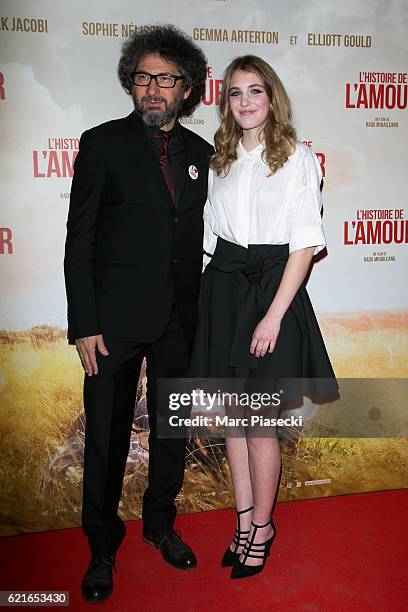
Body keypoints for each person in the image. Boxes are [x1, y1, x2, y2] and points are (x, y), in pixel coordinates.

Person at [64, 25, 213, 603]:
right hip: (113, 323)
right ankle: (102, 547)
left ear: (187, 88)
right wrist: (84, 321)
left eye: (167, 79)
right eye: (144, 78)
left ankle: (159, 525)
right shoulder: (102, 144)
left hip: (180, 318)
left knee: (172, 430)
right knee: (105, 433)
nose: (154, 89)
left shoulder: (203, 156)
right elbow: (81, 240)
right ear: (132, 82)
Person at [190, 55, 338, 579]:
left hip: (273, 294)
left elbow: (304, 246)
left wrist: (273, 316)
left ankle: (264, 529)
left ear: (271, 96)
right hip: (225, 293)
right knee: (233, 422)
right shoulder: (220, 161)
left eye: (256, 90)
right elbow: (211, 239)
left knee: (259, 427)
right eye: (235, 92)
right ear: (225, 102)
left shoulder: (296, 158)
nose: (246, 101)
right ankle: (244, 521)